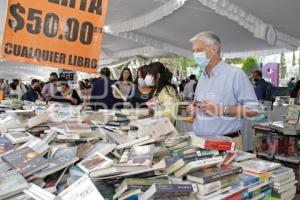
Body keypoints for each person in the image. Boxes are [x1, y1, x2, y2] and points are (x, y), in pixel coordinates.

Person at [188, 32, 258, 147]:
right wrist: (194, 109)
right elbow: (200, 105)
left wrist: (222, 110)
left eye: (199, 50)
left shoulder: (235, 74)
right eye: (194, 51)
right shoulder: (202, 77)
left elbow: (253, 110)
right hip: (200, 142)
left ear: (214, 49)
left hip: (226, 144)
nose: (195, 55)